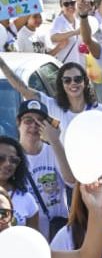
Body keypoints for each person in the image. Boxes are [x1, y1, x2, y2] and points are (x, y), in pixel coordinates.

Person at [0, 56, 102, 135]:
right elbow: (23, 89)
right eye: (67, 80)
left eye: (77, 79)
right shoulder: (52, 106)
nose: (73, 83)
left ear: (85, 82)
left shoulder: (100, 112)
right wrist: (2, 64)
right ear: (61, 84)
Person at [15, 99, 73, 239]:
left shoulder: (55, 150)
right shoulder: (11, 156)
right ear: (19, 124)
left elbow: (71, 181)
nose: (34, 126)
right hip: (26, 234)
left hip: (58, 232)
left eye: (40, 121)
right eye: (28, 120)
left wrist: (55, 141)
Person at [0, 135, 38, 228]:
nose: (7, 164)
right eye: (1, 158)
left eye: (13, 160)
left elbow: (32, 239)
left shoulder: (27, 200)